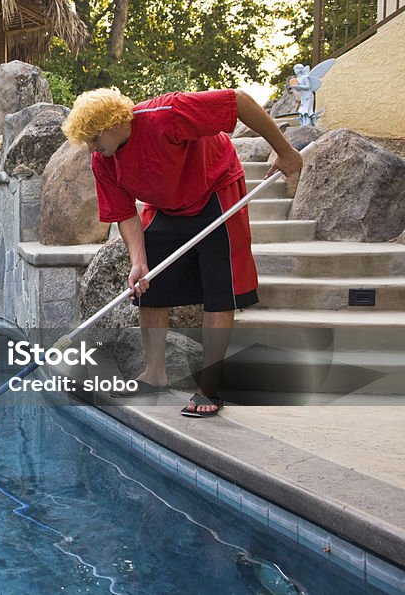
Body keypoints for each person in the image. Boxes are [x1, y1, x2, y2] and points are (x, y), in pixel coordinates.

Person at [61, 88, 303, 417]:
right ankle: (155, 373)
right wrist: (138, 261)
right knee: (149, 285)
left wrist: (284, 150)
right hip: (166, 204)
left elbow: (240, 101)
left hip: (214, 188)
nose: (92, 148)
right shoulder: (103, 161)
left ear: (113, 124)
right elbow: (123, 213)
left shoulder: (167, 114)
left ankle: (210, 385)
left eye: (93, 138)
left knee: (219, 292)